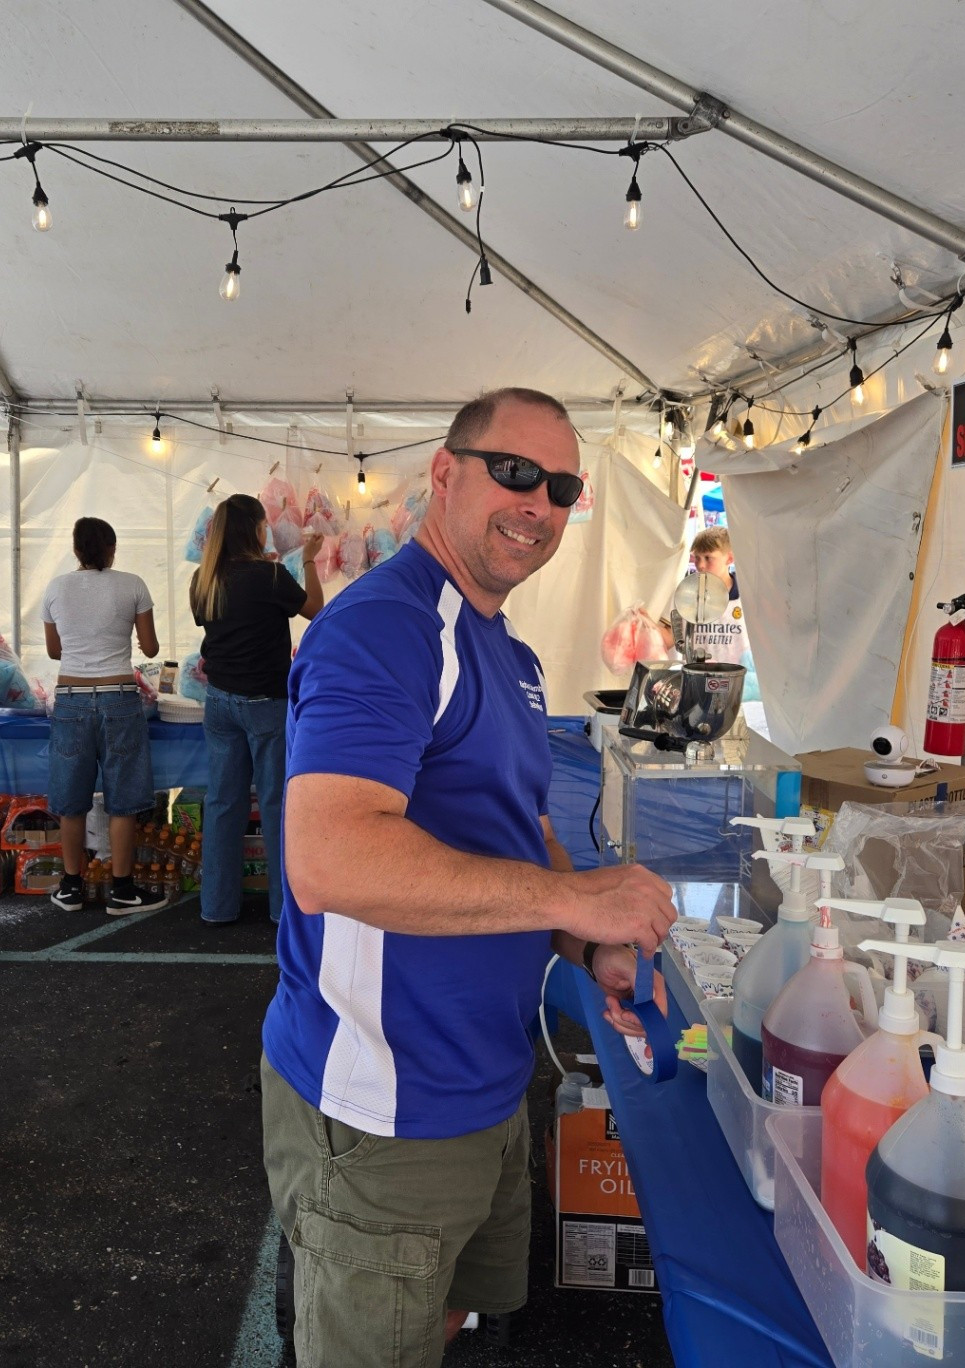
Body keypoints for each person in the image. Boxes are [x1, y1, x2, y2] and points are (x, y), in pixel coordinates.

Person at [261, 388, 676, 1367]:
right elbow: (328, 858)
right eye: (516, 472)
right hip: (384, 1110)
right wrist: (575, 900)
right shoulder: (384, 628)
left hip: (486, 1085)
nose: (540, 503)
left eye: (562, 487)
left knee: (451, 1319)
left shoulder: (509, 651)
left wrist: (587, 945)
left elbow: (528, 833)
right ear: (444, 474)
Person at [188, 495, 325, 927]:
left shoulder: (204, 577)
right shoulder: (269, 575)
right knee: (275, 804)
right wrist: (308, 560)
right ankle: (281, 911)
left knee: (222, 804)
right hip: (266, 702)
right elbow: (317, 612)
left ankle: (217, 906)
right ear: (255, 529)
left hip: (219, 702)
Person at [42, 517, 165, 915]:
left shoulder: (56, 588)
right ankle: (123, 890)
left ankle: (71, 887)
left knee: (71, 800)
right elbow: (150, 648)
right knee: (123, 799)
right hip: (120, 698)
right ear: (112, 549)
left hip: (71, 699)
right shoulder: (133, 584)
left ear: (76, 550)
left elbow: (55, 651)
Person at [662, 525, 758, 701]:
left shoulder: (748, 597)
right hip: (697, 687)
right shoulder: (686, 596)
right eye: (697, 558)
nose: (700, 565)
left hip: (738, 689)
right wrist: (645, 626)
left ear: (730, 558)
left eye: (708, 558)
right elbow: (672, 638)